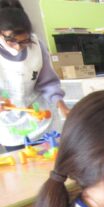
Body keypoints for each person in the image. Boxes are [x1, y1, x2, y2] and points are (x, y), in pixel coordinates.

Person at [0, 0, 69, 150]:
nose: (18, 47)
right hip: (11, 127)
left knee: (52, 157)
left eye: (24, 41)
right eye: (11, 41)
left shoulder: (37, 46)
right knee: (22, 162)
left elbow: (48, 83)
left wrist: (62, 106)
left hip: (42, 119)